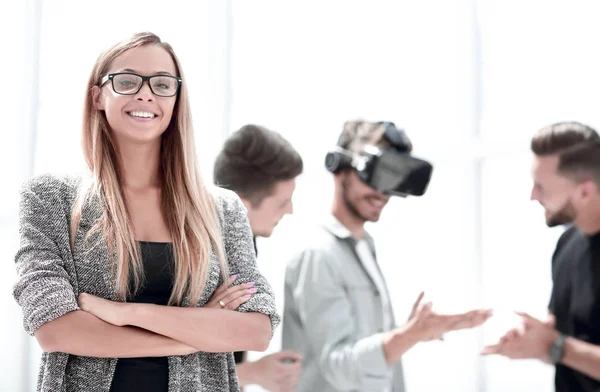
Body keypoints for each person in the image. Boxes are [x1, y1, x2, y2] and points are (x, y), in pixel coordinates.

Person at [12, 32, 278, 392]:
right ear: (98, 97)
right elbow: (55, 329)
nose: (146, 93)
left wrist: (126, 314)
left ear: (176, 98)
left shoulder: (223, 210)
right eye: (126, 81)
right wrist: (195, 334)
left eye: (162, 84)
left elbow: (256, 329)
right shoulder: (50, 198)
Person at [282, 119, 493, 392]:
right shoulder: (318, 255)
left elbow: (365, 345)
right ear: (340, 168)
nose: (382, 192)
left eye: (392, 178)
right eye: (375, 174)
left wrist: (418, 331)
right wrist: (410, 334)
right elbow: (339, 367)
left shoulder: (362, 248)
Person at [482, 122, 600, 392]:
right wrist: (536, 344)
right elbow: (564, 347)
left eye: (541, 186)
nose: (533, 196)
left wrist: (555, 345)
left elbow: (561, 346)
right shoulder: (568, 243)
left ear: (585, 191)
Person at [212, 124, 304, 392]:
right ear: (239, 205)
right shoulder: (205, 260)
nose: (290, 210)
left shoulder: (245, 242)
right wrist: (251, 372)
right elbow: (175, 365)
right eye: (281, 202)